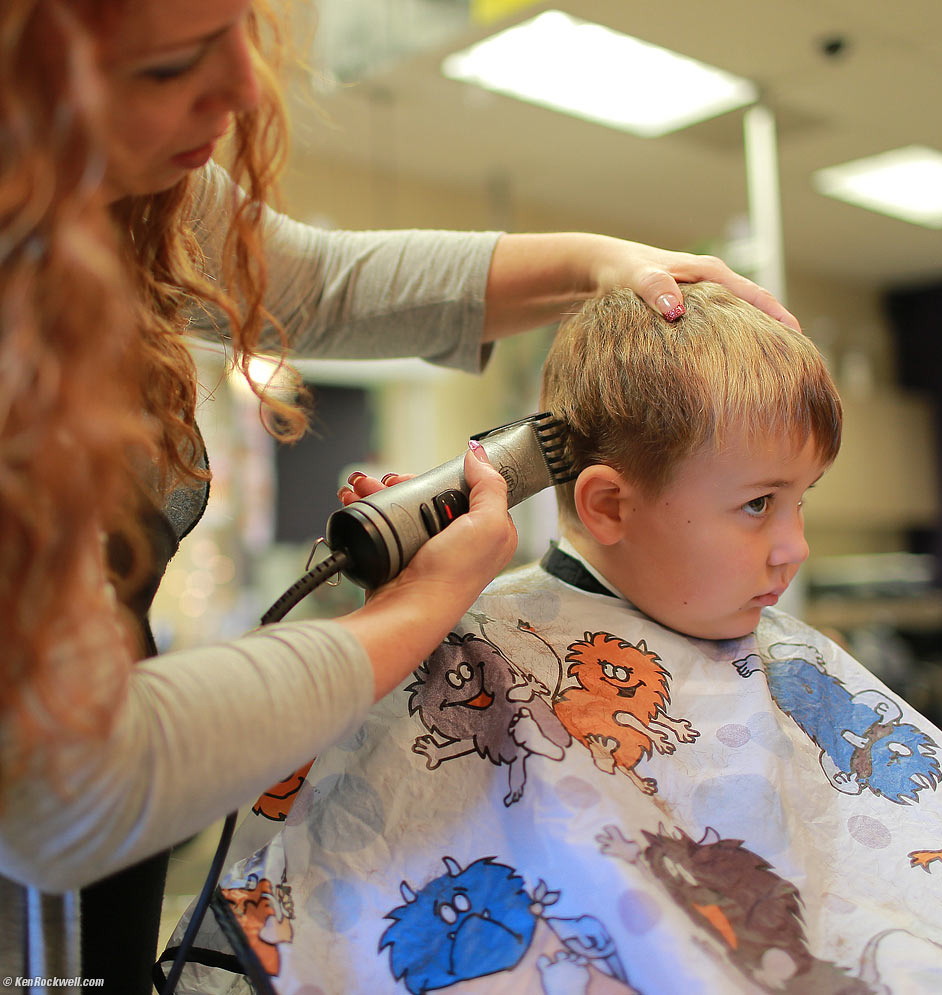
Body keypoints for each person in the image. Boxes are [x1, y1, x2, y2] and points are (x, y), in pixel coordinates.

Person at [0, 0, 804, 987]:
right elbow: (66, 789)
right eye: (170, 68)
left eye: (236, 33)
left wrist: (601, 260)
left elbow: (316, 282)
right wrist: (422, 609)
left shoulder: (110, 195)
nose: (247, 88)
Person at [172, 284, 942, 993]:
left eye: (802, 499)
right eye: (758, 504)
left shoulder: (795, 659)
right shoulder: (469, 651)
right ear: (606, 505)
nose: (796, 546)